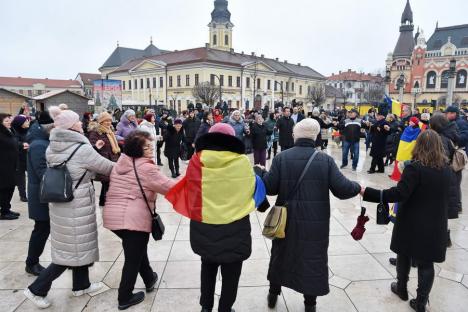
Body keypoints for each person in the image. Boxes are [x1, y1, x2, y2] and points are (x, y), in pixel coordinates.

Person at [255, 118, 361, 312]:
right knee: (312, 258)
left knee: (281, 255)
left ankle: (273, 294)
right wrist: (358, 187)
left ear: (295, 135)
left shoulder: (281, 158)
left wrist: (262, 173)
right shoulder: (325, 160)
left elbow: (269, 188)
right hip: (315, 223)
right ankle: (309, 304)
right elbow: (343, 189)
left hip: (285, 220)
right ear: (315, 136)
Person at [166, 123, 268, 312]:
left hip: (205, 225)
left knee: (208, 268)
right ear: (231, 139)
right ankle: (225, 308)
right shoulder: (242, 161)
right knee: (232, 274)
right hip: (235, 227)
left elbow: (191, 190)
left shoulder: (197, 160)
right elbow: (251, 188)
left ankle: (206, 308)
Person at [24, 108, 115, 309]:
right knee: (69, 253)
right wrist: (132, 165)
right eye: (77, 122)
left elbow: (76, 168)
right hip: (77, 204)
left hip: (61, 202)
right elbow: (107, 167)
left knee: (77, 246)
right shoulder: (81, 148)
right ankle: (36, 289)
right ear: (70, 127)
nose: (81, 124)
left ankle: (81, 285)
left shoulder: (53, 146)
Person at [361, 130, 452, 312]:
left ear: (418, 145)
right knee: (427, 263)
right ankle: (420, 302)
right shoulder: (446, 169)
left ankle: (401, 288)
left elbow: (398, 194)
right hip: (435, 222)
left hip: (412, 221)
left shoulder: (415, 168)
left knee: (404, 252)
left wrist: (369, 192)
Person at [104, 131, 176, 310]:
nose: (151, 149)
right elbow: (169, 187)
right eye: (146, 147)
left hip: (113, 216)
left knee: (136, 249)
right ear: (137, 150)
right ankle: (124, 297)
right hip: (132, 218)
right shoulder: (146, 168)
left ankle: (149, 278)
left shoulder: (121, 163)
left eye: (151, 145)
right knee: (132, 258)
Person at [24, 110, 55, 276]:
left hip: (44, 193)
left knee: (45, 228)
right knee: (41, 229)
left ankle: (33, 260)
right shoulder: (38, 145)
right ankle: (31, 262)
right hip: (40, 196)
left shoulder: (42, 141)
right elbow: (41, 171)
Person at [88, 112, 121, 206]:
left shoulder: (110, 131)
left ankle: (103, 202)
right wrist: (97, 145)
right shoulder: (96, 132)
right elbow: (91, 146)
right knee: (107, 182)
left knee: (108, 182)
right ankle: (107, 203)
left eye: (110, 120)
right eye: (106, 120)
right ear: (101, 121)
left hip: (113, 158)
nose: (108, 122)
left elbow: (113, 145)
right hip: (104, 160)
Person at [0, 113, 22, 220]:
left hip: (11, 165)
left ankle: (6, 209)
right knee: (5, 188)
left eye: (9, 120)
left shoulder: (10, 131)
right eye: (6, 121)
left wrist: (21, 145)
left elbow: (14, 143)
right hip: (3, 166)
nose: (9, 122)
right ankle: (4, 212)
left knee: (11, 187)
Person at [11, 114, 30, 202]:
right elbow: (13, 142)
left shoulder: (28, 130)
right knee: (21, 178)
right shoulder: (14, 131)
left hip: (28, 156)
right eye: (25, 121)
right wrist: (22, 144)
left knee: (32, 176)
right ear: (20, 123)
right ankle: (23, 195)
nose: (28, 122)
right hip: (18, 157)